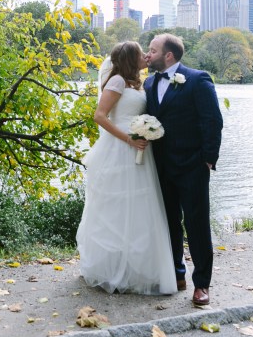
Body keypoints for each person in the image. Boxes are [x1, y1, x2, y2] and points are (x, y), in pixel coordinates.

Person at [75, 41, 177, 295]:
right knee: (117, 208)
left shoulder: (138, 83)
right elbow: (100, 116)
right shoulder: (118, 81)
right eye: (140, 52)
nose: (146, 55)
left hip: (140, 150)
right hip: (121, 150)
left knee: (140, 208)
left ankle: (137, 269)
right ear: (131, 58)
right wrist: (128, 139)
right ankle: (113, 270)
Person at [144, 33, 223, 307]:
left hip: (192, 166)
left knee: (196, 225)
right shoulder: (148, 82)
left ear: (168, 55)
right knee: (168, 224)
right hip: (160, 166)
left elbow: (212, 120)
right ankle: (176, 274)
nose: (148, 55)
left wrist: (208, 159)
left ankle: (201, 284)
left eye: (152, 51)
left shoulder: (197, 79)